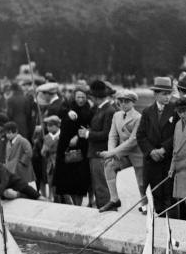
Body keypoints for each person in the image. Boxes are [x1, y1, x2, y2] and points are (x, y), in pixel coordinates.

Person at [136, 76, 178, 214]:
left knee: (170, 196)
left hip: (168, 160)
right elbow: (140, 135)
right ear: (156, 94)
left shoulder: (175, 110)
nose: (167, 97)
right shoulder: (147, 112)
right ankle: (158, 223)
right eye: (164, 94)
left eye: (169, 93)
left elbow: (177, 134)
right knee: (156, 194)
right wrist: (151, 151)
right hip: (152, 161)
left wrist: (164, 149)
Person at [100, 89, 143, 212]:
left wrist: (112, 152)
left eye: (127, 101)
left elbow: (133, 140)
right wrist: (111, 152)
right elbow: (112, 136)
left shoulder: (138, 117)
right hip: (122, 153)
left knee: (141, 183)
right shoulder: (116, 115)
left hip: (137, 153)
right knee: (109, 165)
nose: (123, 104)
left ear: (133, 103)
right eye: (121, 101)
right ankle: (114, 200)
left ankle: (144, 204)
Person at [54, 86, 92, 206]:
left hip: (81, 147)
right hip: (65, 146)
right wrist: (67, 112)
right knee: (65, 179)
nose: (81, 100)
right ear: (74, 97)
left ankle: (78, 204)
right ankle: (69, 202)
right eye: (78, 97)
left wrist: (78, 136)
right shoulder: (67, 107)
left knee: (79, 180)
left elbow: (90, 126)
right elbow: (59, 113)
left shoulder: (88, 110)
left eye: (83, 97)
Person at [84, 80, 116, 210]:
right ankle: (102, 208)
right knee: (98, 185)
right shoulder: (101, 109)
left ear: (95, 97)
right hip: (96, 154)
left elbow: (107, 134)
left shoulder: (109, 110)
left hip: (101, 154)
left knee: (102, 185)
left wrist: (87, 134)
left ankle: (108, 211)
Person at [2, 121, 34, 187]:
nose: (7, 135)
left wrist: (21, 163)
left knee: (23, 184)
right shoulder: (8, 143)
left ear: (16, 131)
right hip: (11, 167)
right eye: (6, 133)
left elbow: (29, 152)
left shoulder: (23, 140)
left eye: (9, 133)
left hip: (21, 168)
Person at [40, 116, 60, 200]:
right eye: (48, 126)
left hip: (60, 161)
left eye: (51, 125)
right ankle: (51, 196)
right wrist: (44, 151)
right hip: (50, 163)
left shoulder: (62, 135)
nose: (49, 128)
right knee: (50, 180)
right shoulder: (46, 137)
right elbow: (43, 153)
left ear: (57, 126)